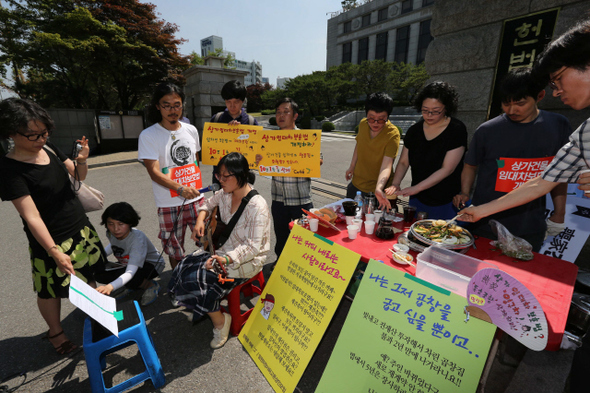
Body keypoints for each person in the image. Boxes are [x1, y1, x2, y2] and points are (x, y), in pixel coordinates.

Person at [0, 98, 107, 355]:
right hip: (49, 239)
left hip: (80, 228)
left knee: (91, 278)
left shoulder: (48, 147)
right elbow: (31, 215)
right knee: (50, 290)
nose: (40, 139)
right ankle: (55, 333)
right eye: (33, 135)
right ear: (11, 133)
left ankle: (101, 322)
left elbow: (78, 177)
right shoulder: (9, 168)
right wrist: (54, 251)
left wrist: (82, 159)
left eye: (44, 133)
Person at [454, 68, 572, 251]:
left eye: (520, 103)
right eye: (505, 103)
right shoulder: (488, 130)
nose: (511, 110)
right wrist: (465, 192)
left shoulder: (558, 125)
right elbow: (470, 164)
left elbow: (557, 176)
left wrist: (559, 213)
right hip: (485, 222)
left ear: (540, 96)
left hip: (530, 223)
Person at [168, 152, 270, 349]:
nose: (220, 180)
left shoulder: (258, 206)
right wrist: (200, 220)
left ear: (241, 175)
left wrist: (225, 260)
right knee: (183, 267)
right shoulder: (224, 193)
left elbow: (252, 247)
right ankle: (202, 305)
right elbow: (207, 203)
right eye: (218, 175)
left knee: (199, 279)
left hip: (246, 260)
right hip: (221, 251)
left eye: (226, 176)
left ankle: (221, 322)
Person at [138, 82, 203, 271]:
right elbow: (154, 172)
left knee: (207, 242)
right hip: (168, 204)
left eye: (177, 105)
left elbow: (195, 161)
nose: (172, 110)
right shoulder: (148, 135)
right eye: (166, 105)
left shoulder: (191, 130)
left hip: (197, 199)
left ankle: (205, 281)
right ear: (158, 106)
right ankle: (178, 285)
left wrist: (193, 188)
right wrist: (180, 188)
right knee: (175, 250)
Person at [387, 82, 467, 219]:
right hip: (417, 198)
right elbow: (404, 162)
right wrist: (395, 184)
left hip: (445, 199)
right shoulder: (414, 131)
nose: (429, 115)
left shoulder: (456, 130)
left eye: (436, 111)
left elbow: (447, 169)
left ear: (446, 108)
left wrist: (416, 188)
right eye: (425, 110)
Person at [267, 97, 323, 261]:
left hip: (301, 198)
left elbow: (319, 160)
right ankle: (281, 263)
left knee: (304, 238)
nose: (281, 115)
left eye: (286, 112)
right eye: (278, 112)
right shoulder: (270, 140)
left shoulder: (305, 138)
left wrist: (304, 159)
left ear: (295, 116)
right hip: (278, 198)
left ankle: (302, 266)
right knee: (281, 236)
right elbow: (262, 160)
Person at [94, 202, 165, 306]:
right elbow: (113, 244)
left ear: (130, 222)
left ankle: (150, 285)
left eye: (121, 224)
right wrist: (101, 256)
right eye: (110, 224)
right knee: (99, 273)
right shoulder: (110, 232)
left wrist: (110, 287)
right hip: (127, 264)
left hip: (152, 265)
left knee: (130, 277)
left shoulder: (137, 240)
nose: (115, 229)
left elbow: (130, 272)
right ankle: (130, 285)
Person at [345, 92, 401, 211]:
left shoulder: (392, 133)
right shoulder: (363, 124)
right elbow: (359, 145)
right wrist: (352, 166)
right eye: (371, 118)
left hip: (378, 191)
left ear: (388, 117)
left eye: (381, 120)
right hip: (356, 185)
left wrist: (379, 188)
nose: (375, 123)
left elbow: (387, 165)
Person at [210, 80, 259, 184]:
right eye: (228, 102)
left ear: (243, 101)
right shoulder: (217, 119)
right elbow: (209, 146)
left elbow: (258, 148)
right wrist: (227, 134)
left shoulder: (250, 121)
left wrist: (241, 134)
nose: (232, 106)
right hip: (221, 177)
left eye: (236, 102)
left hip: (243, 177)